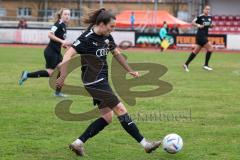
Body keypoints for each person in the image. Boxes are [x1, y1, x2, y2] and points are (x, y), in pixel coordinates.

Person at [56, 8, 161, 156]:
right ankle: (145, 144)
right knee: (121, 110)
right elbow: (68, 53)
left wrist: (129, 70)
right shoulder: (87, 38)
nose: (113, 29)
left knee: (107, 117)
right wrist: (63, 74)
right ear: (101, 24)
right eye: (111, 26)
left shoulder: (107, 36)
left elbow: (116, 53)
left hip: (101, 80)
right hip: (93, 81)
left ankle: (78, 143)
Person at [19, 8, 71, 97]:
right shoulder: (58, 24)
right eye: (65, 14)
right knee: (51, 72)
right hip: (51, 51)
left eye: (69, 14)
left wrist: (64, 45)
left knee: (62, 70)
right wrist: (62, 42)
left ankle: (58, 93)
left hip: (57, 52)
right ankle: (27, 74)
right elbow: (50, 34)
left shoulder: (64, 26)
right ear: (61, 15)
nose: (67, 16)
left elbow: (60, 40)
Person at [183, 5, 214, 72]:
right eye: (206, 9)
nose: (207, 10)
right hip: (200, 35)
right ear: (203, 10)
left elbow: (210, 26)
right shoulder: (200, 17)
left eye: (209, 9)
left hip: (204, 35)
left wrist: (212, 26)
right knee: (210, 48)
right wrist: (198, 25)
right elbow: (192, 22)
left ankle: (186, 64)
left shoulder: (210, 17)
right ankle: (205, 65)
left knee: (195, 51)